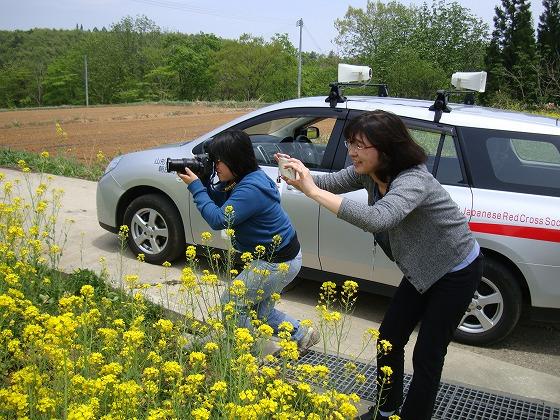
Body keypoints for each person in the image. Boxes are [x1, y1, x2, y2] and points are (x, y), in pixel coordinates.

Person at [277, 110, 483, 420]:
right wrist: (299, 174)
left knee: (427, 354)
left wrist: (313, 191)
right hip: (420, 269)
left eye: (360, 145)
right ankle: (386, 411)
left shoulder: (414, 179)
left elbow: (378, 218)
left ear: (386, 148)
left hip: (455, 270)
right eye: (350, 143)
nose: (352, 152)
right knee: (388, 339)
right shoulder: (369, 172)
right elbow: (328, 183)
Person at [178, 129, 319, 352]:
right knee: (260, 312)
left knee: (232, 305)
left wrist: (196, 188)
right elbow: (222, 204)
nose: (216, 167)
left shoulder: (251, 187)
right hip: (283, 256)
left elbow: (219, 219)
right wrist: (204, 181)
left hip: (276, 261)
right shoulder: (242, 178)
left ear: (235, 160)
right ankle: (302, 334)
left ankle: (247, 354)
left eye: (218, 162)